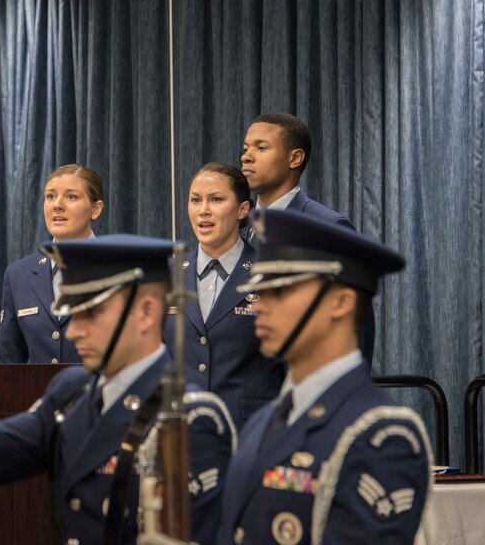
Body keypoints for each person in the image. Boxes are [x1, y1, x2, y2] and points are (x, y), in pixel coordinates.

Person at [0, 234, 237, 545]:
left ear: (148, 313)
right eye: (71, 314)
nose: (75, 330)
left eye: (91, 313)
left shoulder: (191, 418)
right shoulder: (73, 391)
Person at [216, 210, 431, 545]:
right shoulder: (263, 421)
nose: (259, 306)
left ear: (341, 302)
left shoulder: (382, 435)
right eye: (260, 291)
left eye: (281, 291)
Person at [240, 112, 375, 364]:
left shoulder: (326, 227)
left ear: (295, 158)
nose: (246, 156)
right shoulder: (239, 227)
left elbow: (356, 326)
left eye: (261, 147)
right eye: (246, 147)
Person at [164, 163, 284, 427]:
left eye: (216, 199)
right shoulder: (165, 275)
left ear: (243, 210)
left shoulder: (272, 275)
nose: (203, 210)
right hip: (181, 433)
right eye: (196, 200)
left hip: (252, 433)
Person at [0, 163, 104, 364]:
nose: (57, 205)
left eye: (71, 197)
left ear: (95, 210)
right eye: (51, 196)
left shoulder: (121, 267)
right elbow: (8, 366)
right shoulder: (19, 275)